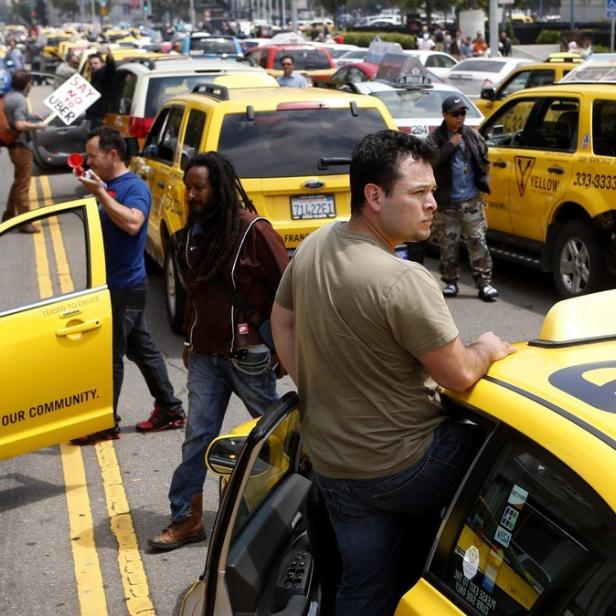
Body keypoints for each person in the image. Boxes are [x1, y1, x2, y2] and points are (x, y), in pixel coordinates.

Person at [271, 129, 515, 615]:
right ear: (375, 196)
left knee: (364, 588)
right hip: (406, 467)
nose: (433, 202)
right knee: (507, 458)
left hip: (336, 464)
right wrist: (487, 347)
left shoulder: (317, 245)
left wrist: (315, 390)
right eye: (419, 192)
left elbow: (282, 318)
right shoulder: (403, 280)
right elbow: (460, 374)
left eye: (433, 190)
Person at [148, 152, 289, 550]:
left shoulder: (254, 231)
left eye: (199, 188)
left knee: (273, 437)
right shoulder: (192, 234)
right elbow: (195, 295)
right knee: (198, 438)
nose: (191, 195)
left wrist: (283, 348)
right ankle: (186, 519)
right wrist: (191, 342)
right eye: (188, 187)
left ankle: (289, 505)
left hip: (249, 357)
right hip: (206, 357)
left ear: (219, 188)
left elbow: (288, 294)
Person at [71, 128, 186, 444]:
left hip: (125, 286)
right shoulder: (107, 185)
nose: (88, 160)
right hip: (112, 283)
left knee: (109, 353)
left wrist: (102, 195)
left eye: (92, 155)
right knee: (142, 349)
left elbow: (134, 222)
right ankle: (170, 409)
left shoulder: (133, 187)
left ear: (112, 155)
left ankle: (105, 422)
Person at [427, 96, 498, 301]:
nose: (460, 118)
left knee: (478, 241)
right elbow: (430, 161)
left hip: (471, 201)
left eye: (463, 113)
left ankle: (484, 284)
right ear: (445, 115)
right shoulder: (436, 138)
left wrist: (483, 182)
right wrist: (449, 146)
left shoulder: (471, 135)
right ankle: (451, 281)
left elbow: (484, 158)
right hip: (448, 203)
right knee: (448, 245)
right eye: (455, 114)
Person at [2, 69, 51, 231]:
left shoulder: (9, 96)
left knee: (18, 182)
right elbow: (19, 124)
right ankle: (24, 222)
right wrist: (39, 125)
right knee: (23, 184)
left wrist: (33, 116)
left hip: (12, 145)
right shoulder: (20, 100)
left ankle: (8, 216)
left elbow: (17, 118)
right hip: (21, 146)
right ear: (27, 84)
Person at [85, 51, 116, 128]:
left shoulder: (103, 73)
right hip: (92, 114)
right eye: (91, 64)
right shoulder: (92, 74)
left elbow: (110, 69)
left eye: (96, 63)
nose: (93, 65)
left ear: (102, 64)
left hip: (99, 115)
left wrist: (110, 59)